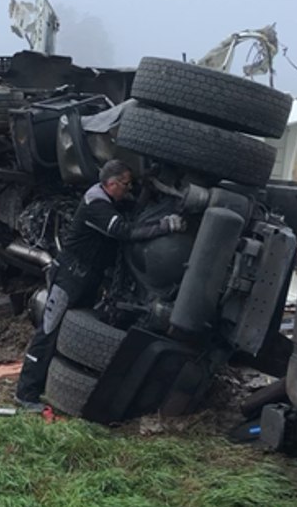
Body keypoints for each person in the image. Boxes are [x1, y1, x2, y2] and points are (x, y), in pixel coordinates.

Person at [14, 159, 185, 408]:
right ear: (111, 183)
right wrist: (163, 226)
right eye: (125, 184)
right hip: (70, 277)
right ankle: (25, 393)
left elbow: (131, 211)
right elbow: (123, 232)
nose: (128, 189)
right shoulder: (96, 204)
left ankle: (46, 388)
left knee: (70, 330)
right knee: (48, 331)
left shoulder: (109, 197)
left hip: (86, 278)